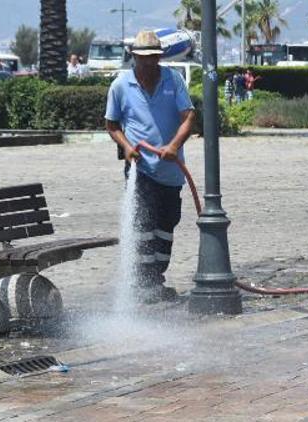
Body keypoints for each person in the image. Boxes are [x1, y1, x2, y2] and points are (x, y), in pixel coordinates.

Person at [105, 30, 195, 304]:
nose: (147, 63)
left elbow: (188, 116)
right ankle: (144, 282)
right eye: (142, 58)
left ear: (159, 57)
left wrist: (174, 145)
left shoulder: (173, 80)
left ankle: (155, 278)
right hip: (140, 170)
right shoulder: (121, 85)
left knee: (167, 224)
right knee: (143, 224)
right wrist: (127, 147)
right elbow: (112, 125)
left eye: (152, 58)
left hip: (170, 171)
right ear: (134, 57)